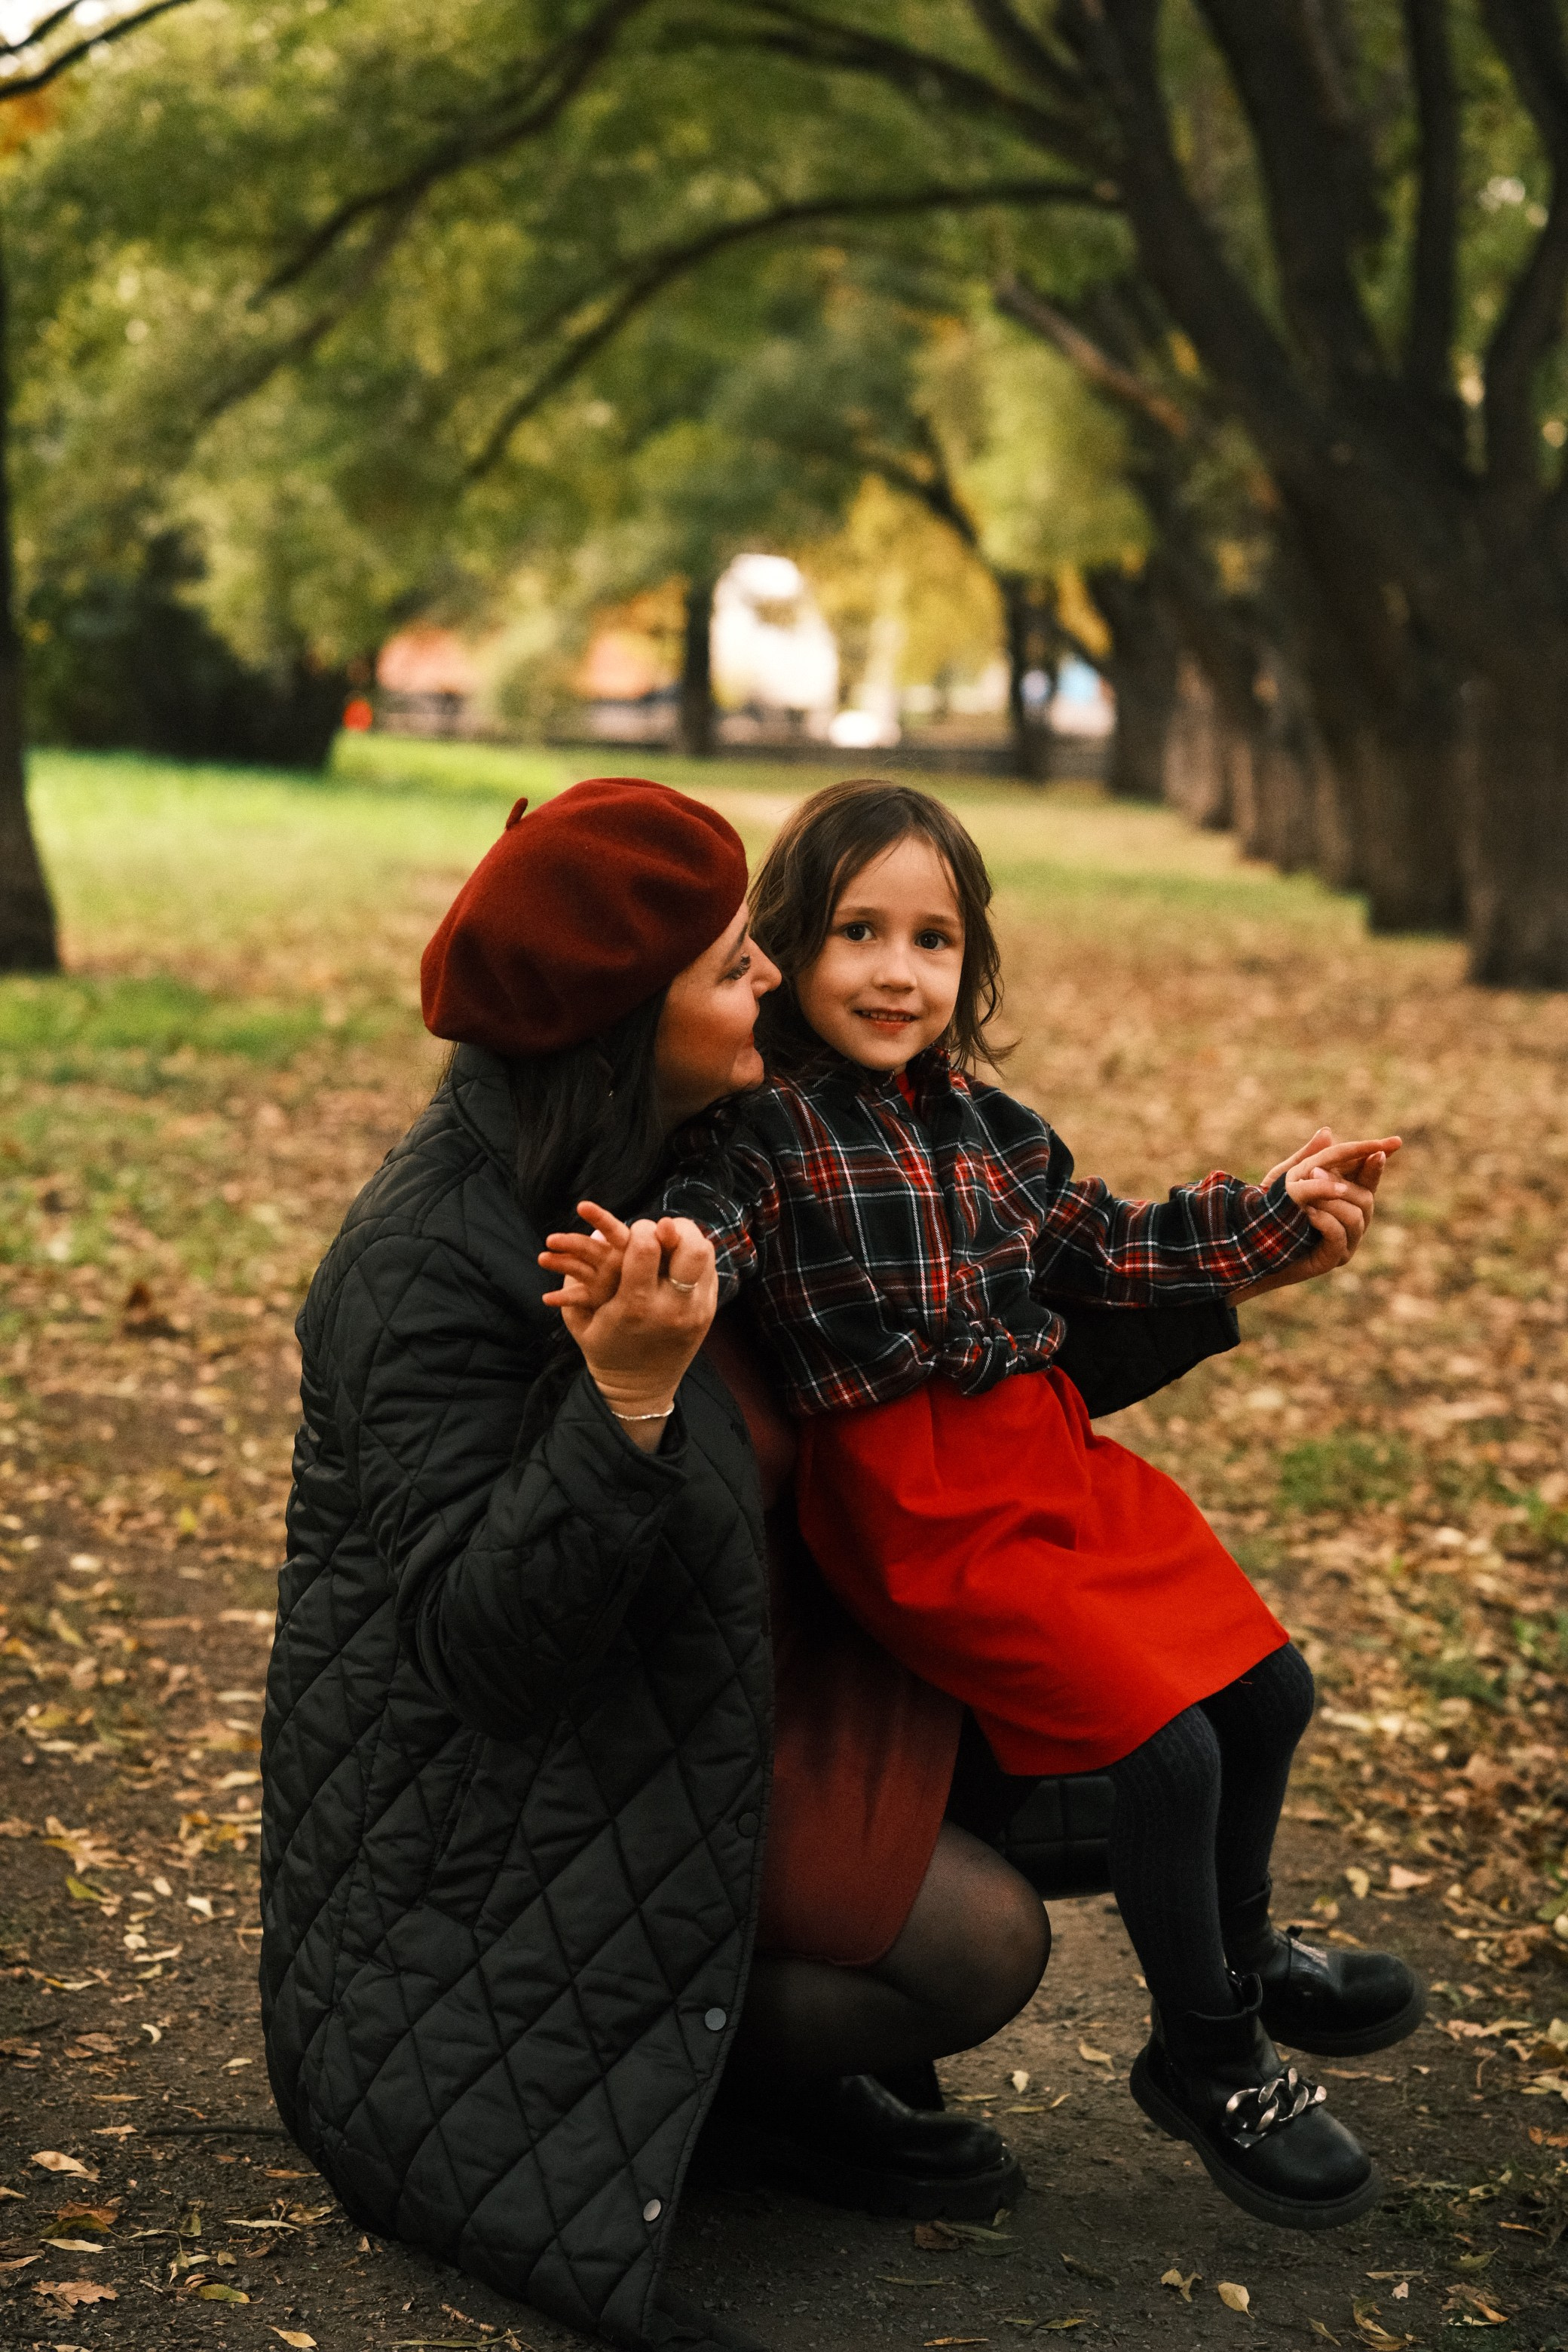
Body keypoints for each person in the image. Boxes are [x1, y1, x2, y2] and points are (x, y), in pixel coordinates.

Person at [263, 777, 1109, 2352]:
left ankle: (747, 2082)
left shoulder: (710, 1147)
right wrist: (626, 1398)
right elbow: (483, 1652)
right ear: (616, 1015)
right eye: (732, 967)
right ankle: (707, 2095)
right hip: (499, 1817)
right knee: (981, 1945)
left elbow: (920, 1340)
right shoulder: (421, 1264)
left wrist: (1213, 1261)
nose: (775, 980)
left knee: (1134, 1743)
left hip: (717, 1689)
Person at [544, 779, 1423, 2237]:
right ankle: (1206, 2052)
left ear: (972, 965)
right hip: (924, 1508)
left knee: (1268, 1687)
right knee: (1166, 1752)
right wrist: (655, 1261)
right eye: (856, 934)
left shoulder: (997, 1132)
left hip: (1049, 1459)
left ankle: (1249, 1952)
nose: (898, 972)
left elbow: (1113, 1245)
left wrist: (1276, 1213)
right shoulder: (768, 1137)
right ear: (785, 952)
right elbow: (719, 1231)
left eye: (935, 941)